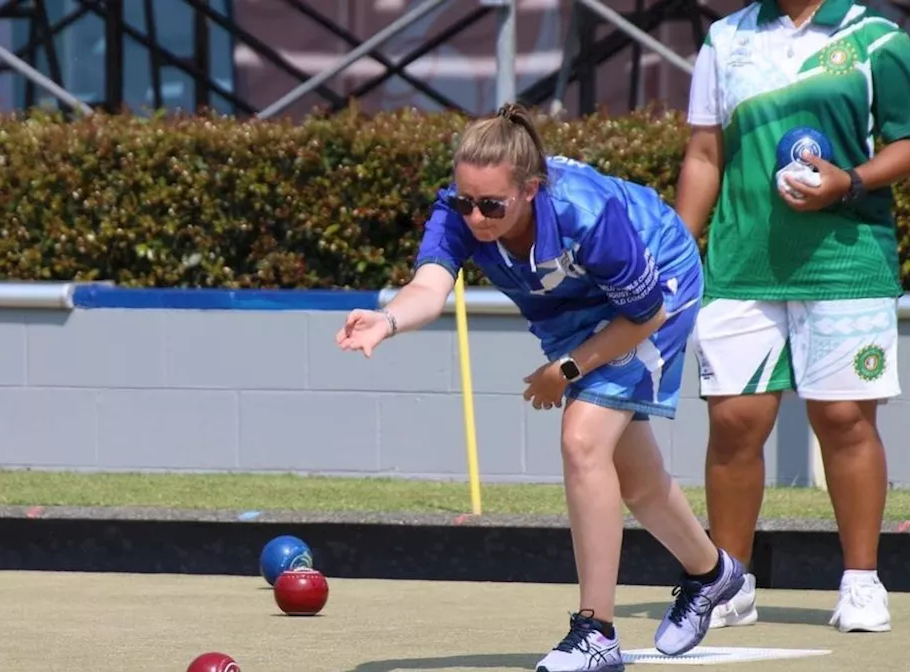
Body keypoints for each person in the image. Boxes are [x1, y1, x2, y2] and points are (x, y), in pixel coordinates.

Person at [336, 103, 746, 672]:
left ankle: (596, 632)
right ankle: (712, 574)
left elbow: (646, 313)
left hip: (658, 290)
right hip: (572, 310)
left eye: (491, 205)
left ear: (530, 189)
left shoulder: (587, 212)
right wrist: (387, 320)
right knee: (636, 479)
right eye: (465, 201)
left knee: (582, 440)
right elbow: (428, 286)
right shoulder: (460, 211)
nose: (475, 217)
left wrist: (568, 370)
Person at [676, 0, 910, 634]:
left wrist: (849, 182)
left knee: (843, 420)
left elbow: (907, 142)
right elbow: (703, 153)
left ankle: (862, 582)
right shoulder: (725, 40)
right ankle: (730, 583)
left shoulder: (877, 37)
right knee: (732, 422)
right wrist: (674, 254)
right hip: (740, 263)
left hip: (845, 263)